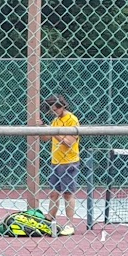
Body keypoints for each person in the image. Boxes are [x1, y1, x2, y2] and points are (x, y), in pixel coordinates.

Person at [45, 94, 81, 236]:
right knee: (54, 193)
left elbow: (69, 142)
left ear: (62, 107)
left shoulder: (72, 119)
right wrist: (41, 128)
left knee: (67, 194)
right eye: (52, 111)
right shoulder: (55, 121)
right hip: (56, 161)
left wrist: (54, 132)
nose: (54, 113)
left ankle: (70, 224)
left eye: (55, 110)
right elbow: (46, 138)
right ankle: (49, 220)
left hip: (69, 162)